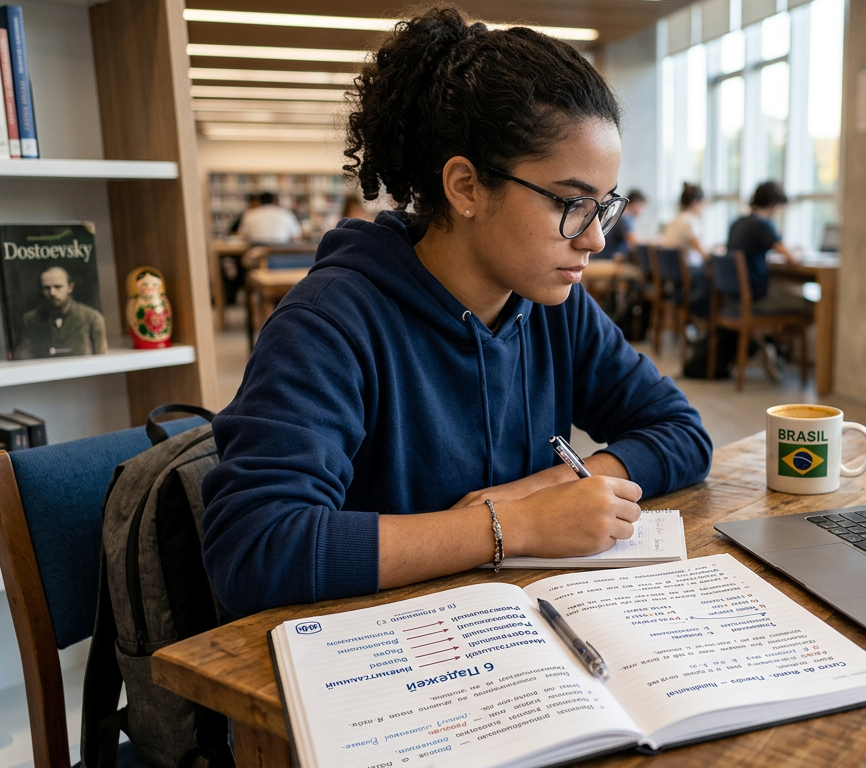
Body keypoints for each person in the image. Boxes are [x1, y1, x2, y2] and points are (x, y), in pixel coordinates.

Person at [201, 6, 713, 618]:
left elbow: (682, 431)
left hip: (514, 626)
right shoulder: (329, 323)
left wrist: (549, 486)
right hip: (381, 648)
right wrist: (515, 525)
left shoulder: (553, 305)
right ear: (466, 186)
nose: (596, 238)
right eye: (571, 204)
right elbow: (255, 550)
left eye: (603, 206)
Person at [726, 181, 800, 305]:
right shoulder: (762, 224)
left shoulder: (737, 222)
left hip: (731, 297)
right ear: (773, 205)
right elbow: (792, 259)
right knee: (806, 304)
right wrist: (797, 252)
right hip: (755, 295)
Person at [15, 266, 107, 358]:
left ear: (70, 288)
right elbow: (24, 356)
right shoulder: (30, 319)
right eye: (46, 288)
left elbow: (101, 358)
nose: (52, 293)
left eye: (58, 287)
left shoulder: (92, 318)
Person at [661, 183, 709, 266]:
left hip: (672, 269)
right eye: (703, 204)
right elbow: (703, 253)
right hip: (689, 269)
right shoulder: (690, 221)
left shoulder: (673, 221)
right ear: (695, 203)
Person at [591, 189, 645, 260]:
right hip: (607, 258)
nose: (642, 211)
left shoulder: (619, 215)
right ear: (636, 204)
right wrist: (656, 241)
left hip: (602, 256)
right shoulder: (625, 217)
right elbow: (634, 240)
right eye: (642, 207)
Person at [237, 191, 303, 244]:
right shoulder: (286, 213)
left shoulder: (250, 214)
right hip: (281, 252)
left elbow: (242, 236)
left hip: (258, 253)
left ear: (259, 201)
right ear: (274, 201)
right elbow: (297, 236)